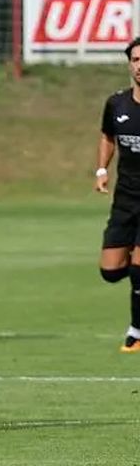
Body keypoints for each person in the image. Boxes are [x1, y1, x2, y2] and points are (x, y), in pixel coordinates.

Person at [95, 36, 140, 353]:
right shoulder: (117, 103)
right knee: (111, 271)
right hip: (125, 198)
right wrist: (101, 169)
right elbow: (108, 136)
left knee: (139, 268)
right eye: (136, 59)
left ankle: (136, 332)